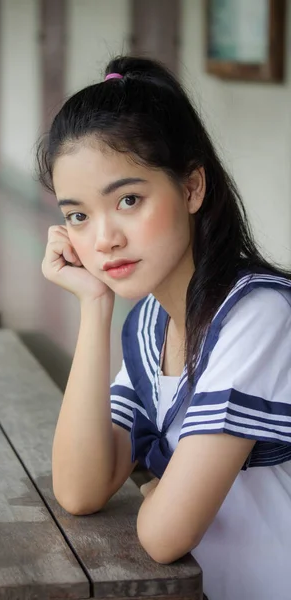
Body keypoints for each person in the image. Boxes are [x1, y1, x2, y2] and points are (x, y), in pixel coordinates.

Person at [37, 56, 291, 600]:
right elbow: (80, 489)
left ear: (193, 188)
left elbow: (163, 536)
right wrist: (95, 305)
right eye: (78, 215)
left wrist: (158, 497)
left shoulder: (258, 317)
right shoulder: (153, 320)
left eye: (128, 200)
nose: (102, 239)